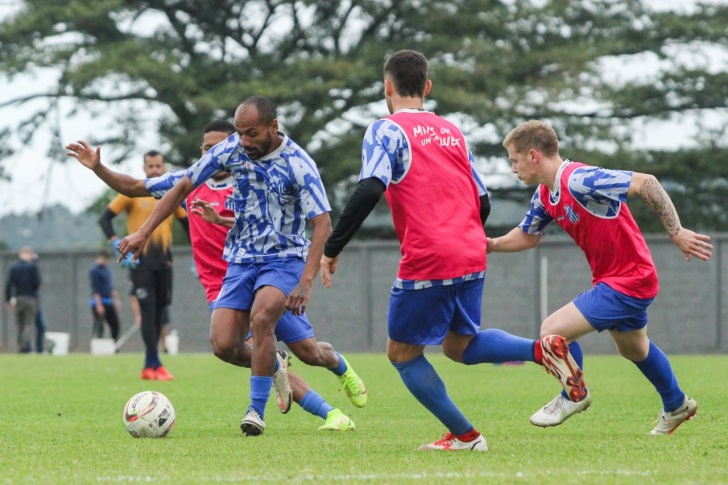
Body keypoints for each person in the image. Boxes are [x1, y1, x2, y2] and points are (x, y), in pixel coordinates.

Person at [320, 50, 585, 452]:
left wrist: (331, 247)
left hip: (430, 256)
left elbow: (370, 187)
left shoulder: (386, 129)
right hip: (471, 250)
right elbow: (483, 200)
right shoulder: (452, 131)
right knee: (458, 345)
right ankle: (541, 349)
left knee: (402, 354)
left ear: (387, 87)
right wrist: (464, 237)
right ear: (426, 87)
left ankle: (467, 436)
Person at [67, 108, 365, 435]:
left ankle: (332, 378)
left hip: (278, 267)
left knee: (306, 351)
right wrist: (99, 170)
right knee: (228, 346)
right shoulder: (202, 176)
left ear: (269, 128)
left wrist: (306, 279)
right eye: (205, 149)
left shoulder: (282, 165)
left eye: (219, 145)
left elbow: (313, 222)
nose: (214, 153)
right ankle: (323, 408)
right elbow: (138, 186)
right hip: (230, 276)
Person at [488, 120, 712, 435]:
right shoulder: (544, 194)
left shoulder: (579, 179)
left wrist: (676, 232)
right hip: (616, 279)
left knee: (552, 331)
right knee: (634, 349)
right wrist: (491, 245)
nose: (513, 168)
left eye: (514, 160)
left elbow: (646, 182)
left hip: (629, 279)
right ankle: (676, 404)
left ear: (534, 155)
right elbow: (528, 235)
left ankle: (572, 395)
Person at [97, 150, 189, 380]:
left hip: (165, 263)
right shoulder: (133, 194)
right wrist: (116, 242)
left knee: (160, 313)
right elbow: (104, 218)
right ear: (144, 168)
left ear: (164, 167)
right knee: (147, 312)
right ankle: (153, 363)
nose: (155, 170)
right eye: (151, 166)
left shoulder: (171, 193)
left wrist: (200, 253)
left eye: (159, 166)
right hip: (140, 262)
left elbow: (189, 224)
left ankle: (152, 364)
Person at [4, 246, 41, 353]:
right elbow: (37, 283)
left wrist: (8, 300)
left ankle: (20, 346)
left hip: (18, 298)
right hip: (30, 298)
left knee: (19, 324)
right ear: (29, 254)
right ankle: (25, 346)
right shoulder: (32, 267)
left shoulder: (14, 267)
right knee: (28, 323)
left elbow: (9, 284)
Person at [89, 249, 122, 341]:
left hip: (108, 301)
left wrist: (116, 300)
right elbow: (95, 289)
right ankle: (98, 344)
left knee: (115, 324)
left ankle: (115, 344)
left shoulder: (107, 269)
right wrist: (99, 304)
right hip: (98, 302)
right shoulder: (94, 270)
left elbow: (110, 286)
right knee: (99, 325)